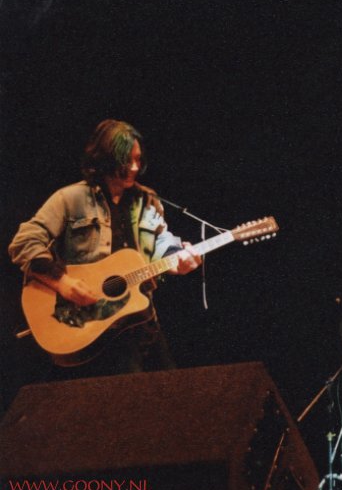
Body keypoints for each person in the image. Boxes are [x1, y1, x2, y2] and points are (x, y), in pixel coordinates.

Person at [8, 119, 202, 378]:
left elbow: (160, 242)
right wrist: (62, 282)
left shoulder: (148, 200)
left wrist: (178, 258)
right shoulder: (71, 198)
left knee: (174, 390)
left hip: (141, 320)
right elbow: (24, 242)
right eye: (126, 160)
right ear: (105, 159)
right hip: (89, 322)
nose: (134, 167)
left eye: (138, 159)